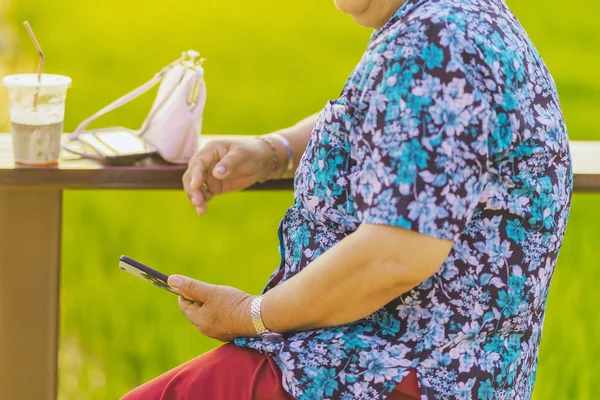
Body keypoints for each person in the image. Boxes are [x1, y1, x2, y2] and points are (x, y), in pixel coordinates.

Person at [122, 0, 572, 398]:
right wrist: (275, 151)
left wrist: (249, 314)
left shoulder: (434, 40)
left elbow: (394, 256)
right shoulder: (453, 19)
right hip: (426, 367)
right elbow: (388, 119)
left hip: (386, 371)